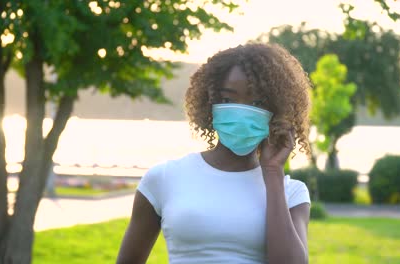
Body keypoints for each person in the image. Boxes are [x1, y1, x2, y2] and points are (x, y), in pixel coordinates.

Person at [116, 43, 312, 264]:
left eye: (257, 102)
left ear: (276, 110)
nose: (241, 110)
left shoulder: (292, 193)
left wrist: (273, 172)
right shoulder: (164, 178)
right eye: (228, 100)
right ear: (210, 103)